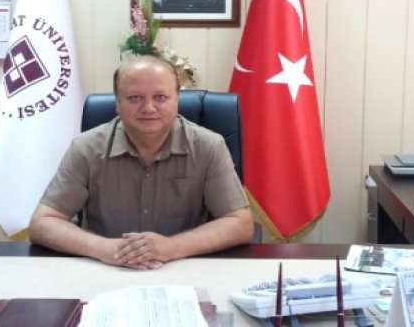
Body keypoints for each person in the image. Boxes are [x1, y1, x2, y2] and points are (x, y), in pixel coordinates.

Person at [28, 56, 254, 270]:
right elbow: (43, 223)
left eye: (160, 97)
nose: (148, 108)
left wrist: (172, 247)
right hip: (104, 270)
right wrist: (106, 249)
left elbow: (240, 223)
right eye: (135, 98)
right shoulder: (86, 149)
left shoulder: (208, 146)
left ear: (177, 100)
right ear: (117, 103)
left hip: (181, 269)